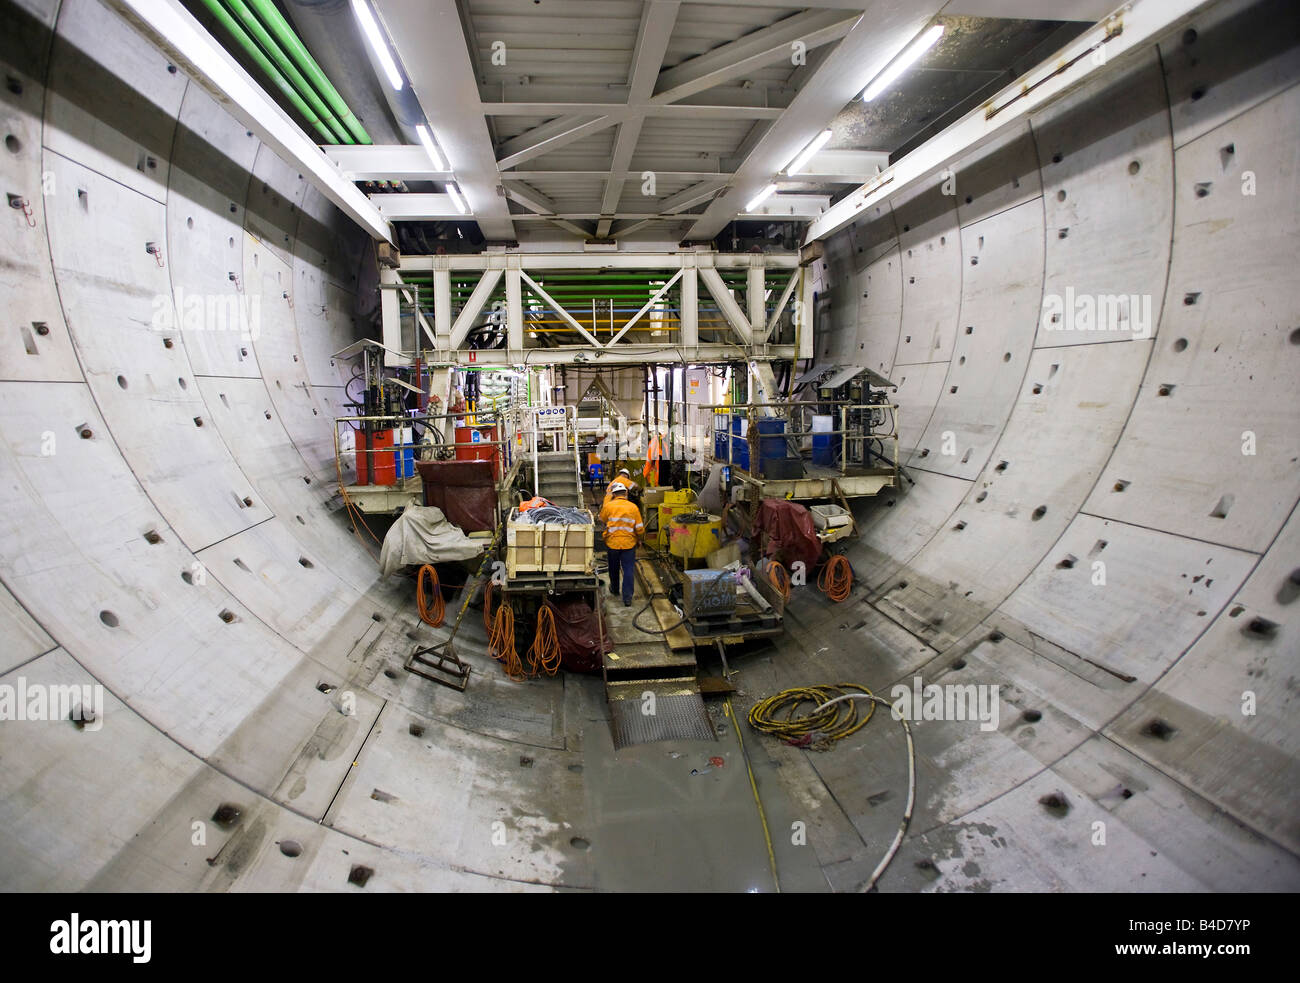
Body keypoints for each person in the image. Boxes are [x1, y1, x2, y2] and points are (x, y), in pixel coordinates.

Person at [598, 483, 643, 607]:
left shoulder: (609, 506)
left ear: (613, 494)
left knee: (613, 567)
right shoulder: (633, 507)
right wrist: (639, 539)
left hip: (612, 543)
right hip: (629, 544)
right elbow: (639, 528)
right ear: (626, 493)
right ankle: (627, 598)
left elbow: (602, 520)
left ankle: (615, 588)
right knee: (628, 569)